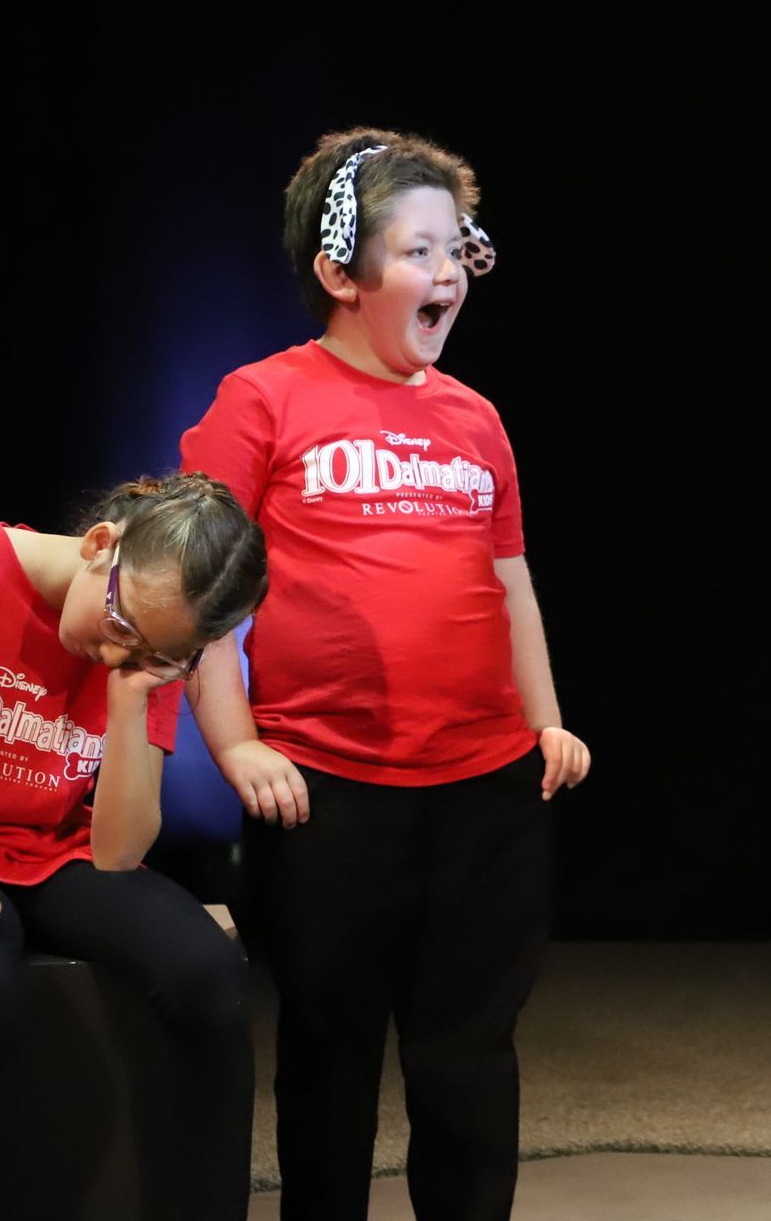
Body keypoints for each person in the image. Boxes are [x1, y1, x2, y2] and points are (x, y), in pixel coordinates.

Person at [181, 127, 592, 1221]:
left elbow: (511, 584)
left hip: (484, 784)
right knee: (330, 1052)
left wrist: (545, 720)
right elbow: (200, 596)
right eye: (417, 251)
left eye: (459, 249)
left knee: (468, 1053)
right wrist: (236, 744)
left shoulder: (474, 418)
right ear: (339, 273)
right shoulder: (261, 399)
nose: (448, 274)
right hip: (328, 784)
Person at [0, 473, 267, 1219]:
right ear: (98, 546)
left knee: (207, 972)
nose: (119, 652)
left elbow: (117, 851)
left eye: (153, 651)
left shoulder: (150, 653)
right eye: (121, 625)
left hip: (47, 850)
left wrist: (130, 697)